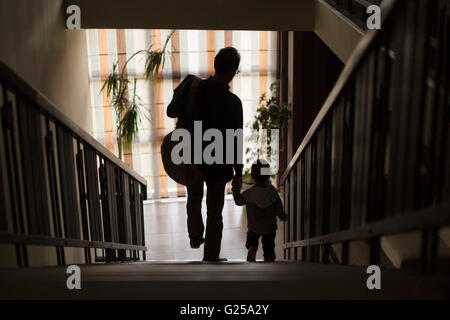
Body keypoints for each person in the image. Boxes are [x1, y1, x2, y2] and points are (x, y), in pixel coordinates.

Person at [167, 47, 243, 262]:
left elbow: (171, 111)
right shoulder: (233, 103)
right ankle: (210, 257)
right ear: (233, 70)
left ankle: (195, 236)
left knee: (193, 196)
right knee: (215, 212)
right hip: (218, 163)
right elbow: (234, 141)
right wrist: (239, 173)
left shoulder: (193, 85)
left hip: (191, 155)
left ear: (216, 64)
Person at [232, 159, 287, 262]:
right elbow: (278, 207)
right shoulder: (273, 192)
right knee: (269, 244)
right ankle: (269, 257)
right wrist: (282, 215)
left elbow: (238, 201)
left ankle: (252, 247)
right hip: (269, 227)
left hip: (254, 226)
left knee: (252, 238)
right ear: (268, 175)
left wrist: (235, 188)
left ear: (252, 176)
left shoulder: (249, 193)